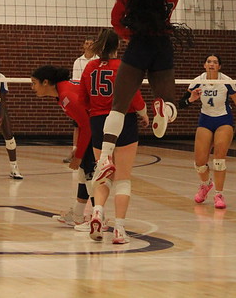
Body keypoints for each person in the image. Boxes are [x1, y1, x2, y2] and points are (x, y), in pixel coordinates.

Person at [94, 0, 201, 185]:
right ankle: (165, 109)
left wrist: (127, 35)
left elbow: (116, 22)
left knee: (118, 107)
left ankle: (104, 158)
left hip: (138, 47)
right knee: (170, 102)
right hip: (162, 47)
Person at [80, 28, 149, 244]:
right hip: (124, 120)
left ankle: (98, 212)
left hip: (99, 123)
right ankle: (119, 229)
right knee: (123, 179)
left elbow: (83, 97)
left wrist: (96, 111)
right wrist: (144, 114)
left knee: (103, 173)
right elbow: (134, 96)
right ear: (117, 46)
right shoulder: (123, 67)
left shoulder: (89, 67)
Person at [179, 54, 236, 209]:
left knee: (219, 159)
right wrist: (191, 99)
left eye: (215, 62)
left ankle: (219, 194)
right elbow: (181, 103)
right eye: (209, 62)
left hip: (223, 120)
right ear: (204, 65)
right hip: (205, 120)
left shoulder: (226, 81)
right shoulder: (198, 81)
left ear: (219, 67)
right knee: (199, 163)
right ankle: (205, 185)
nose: (212, 64)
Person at [30, 65, 93, 227]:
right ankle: (79, 214)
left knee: (90, 175)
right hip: (94, 127)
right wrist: (77, 149)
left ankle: (98, 218)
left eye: (34, 83)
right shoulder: (61, 94)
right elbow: (81, 123)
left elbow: (87, 126)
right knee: (83, 174)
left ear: (45, 82)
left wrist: (79, 156)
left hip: (100, 128)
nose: (32, 88)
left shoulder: (66, 96)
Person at [66, 38, 97, 163]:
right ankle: (74, 151)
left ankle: (94, 153)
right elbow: (75, 80)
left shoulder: (98, 60)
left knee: (94, 125)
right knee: (77, 125)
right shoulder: (78, 61)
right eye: (87, 43)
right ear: (83, 46)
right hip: (81, 96)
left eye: (91, 43)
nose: (89, 45)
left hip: (94, 97)